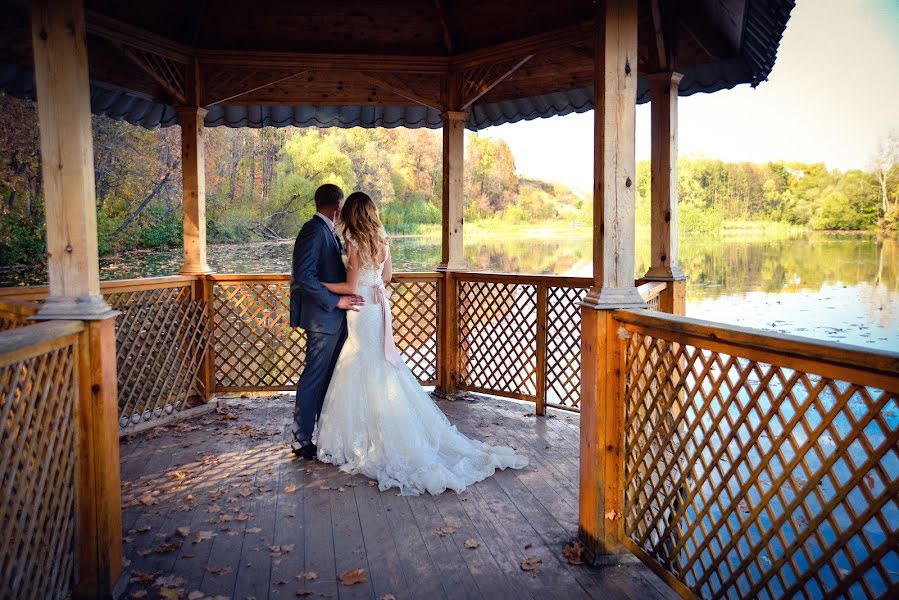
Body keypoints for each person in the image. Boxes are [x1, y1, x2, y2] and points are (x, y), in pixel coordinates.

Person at [314, 191, 528, 496]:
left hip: (361, 308)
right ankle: (384, 428)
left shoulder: (355, 243)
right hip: (379, 307)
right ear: (371, 213)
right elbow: (386, 277)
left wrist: (320, 284)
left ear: (351, 214)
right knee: (381, 364)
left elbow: (349, 286)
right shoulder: (382, 240)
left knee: (361, 361)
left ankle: (364, 437)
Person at [289, 183, 364, 460]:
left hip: (334, 320)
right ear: (338, 208)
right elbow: (304, 276)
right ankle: (300, 439)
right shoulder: (312, 231)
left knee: (329, 379)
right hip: (322, 319)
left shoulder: (328, 232)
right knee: (314, 377)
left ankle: (325, 433)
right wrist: (336, 301)